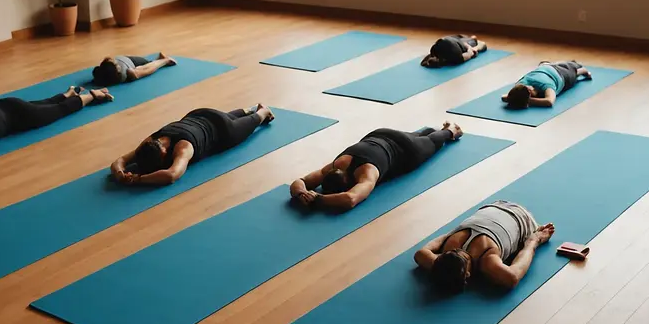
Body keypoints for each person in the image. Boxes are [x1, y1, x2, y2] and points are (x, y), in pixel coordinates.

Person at [290, 122, 464, 211]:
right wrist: (301, 193)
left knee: (432, 144)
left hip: (407, 150)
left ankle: (451, 130)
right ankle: (429, 129)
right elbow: (300, 182)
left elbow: (350, 199)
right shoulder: (336, 165)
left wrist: (318, 199)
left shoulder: (367, 174)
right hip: (381, 133)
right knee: (419, 136)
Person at [110, 104, 275, 186]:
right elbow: (119, 161)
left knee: (254, 121)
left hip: (224, 130)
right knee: (225, 118)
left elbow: (171, 174)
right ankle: (245, 111)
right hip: (200, 113)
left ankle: (261, 111)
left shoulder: (183, 147)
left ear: (164, 153)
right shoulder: (151, 140)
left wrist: (138, 179)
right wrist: (119, 172)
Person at [413, 201, 554, 292]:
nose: (458, 250)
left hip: (503, 210)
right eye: (462, 256)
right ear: (467, 274)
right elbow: (513, 276)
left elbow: (420, 253)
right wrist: (533, 241)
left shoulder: (443, 258)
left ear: (437, 259)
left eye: (452, 252)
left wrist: (533, 241)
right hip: (511, 213)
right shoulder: (488, 259)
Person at [502, 60, 593, 109]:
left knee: (573, 69)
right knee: (556, 64)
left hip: (561, 75)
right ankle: (549, 63)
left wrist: (528, 101)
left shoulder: (546, 85)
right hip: (544, 69)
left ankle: (582, 70)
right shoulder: (520, 84)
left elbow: (549, 101)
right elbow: (504, 97)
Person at [92, 53, 178, 86]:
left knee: (138, 71)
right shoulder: (121, 75)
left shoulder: (106, 69)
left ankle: (164, 60)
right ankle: (162, 60)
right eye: (118, 66)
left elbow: (145, 69)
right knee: (135, 73)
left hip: (131, 60)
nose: (119, 66)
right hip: (129, 63)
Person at [421, 35, 488, 68]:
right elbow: (470, 53)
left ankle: (472, 39)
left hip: (457, 41)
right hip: (456, 40)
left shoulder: (456, 58)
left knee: (481, 45)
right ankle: (471, 38)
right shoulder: (434, 50)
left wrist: (472, 49)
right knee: (473, 44)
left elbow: (470, 53)